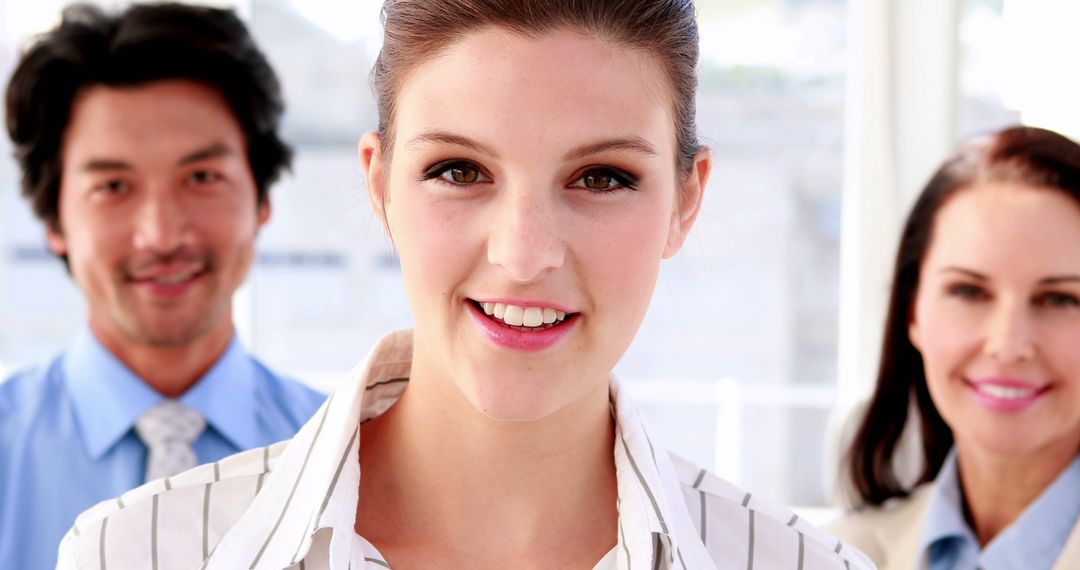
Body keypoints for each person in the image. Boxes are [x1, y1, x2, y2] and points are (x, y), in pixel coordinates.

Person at [56, 1, 873, 568]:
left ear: (685, 201)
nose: (524, 254)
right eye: (458, 169)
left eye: (601, 178)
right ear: (380, 186)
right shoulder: (135, 552)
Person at [0, 4, 326, 569]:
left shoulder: (350, 455)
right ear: (55, 221)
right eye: (114, 186)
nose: (162, 235)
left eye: (202, 177)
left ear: (262, 197)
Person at [829, 125, 1080, 569]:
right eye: (968, 292)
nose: (1008, 345)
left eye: (1061, 298)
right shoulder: (828, 554)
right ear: (912, 313)